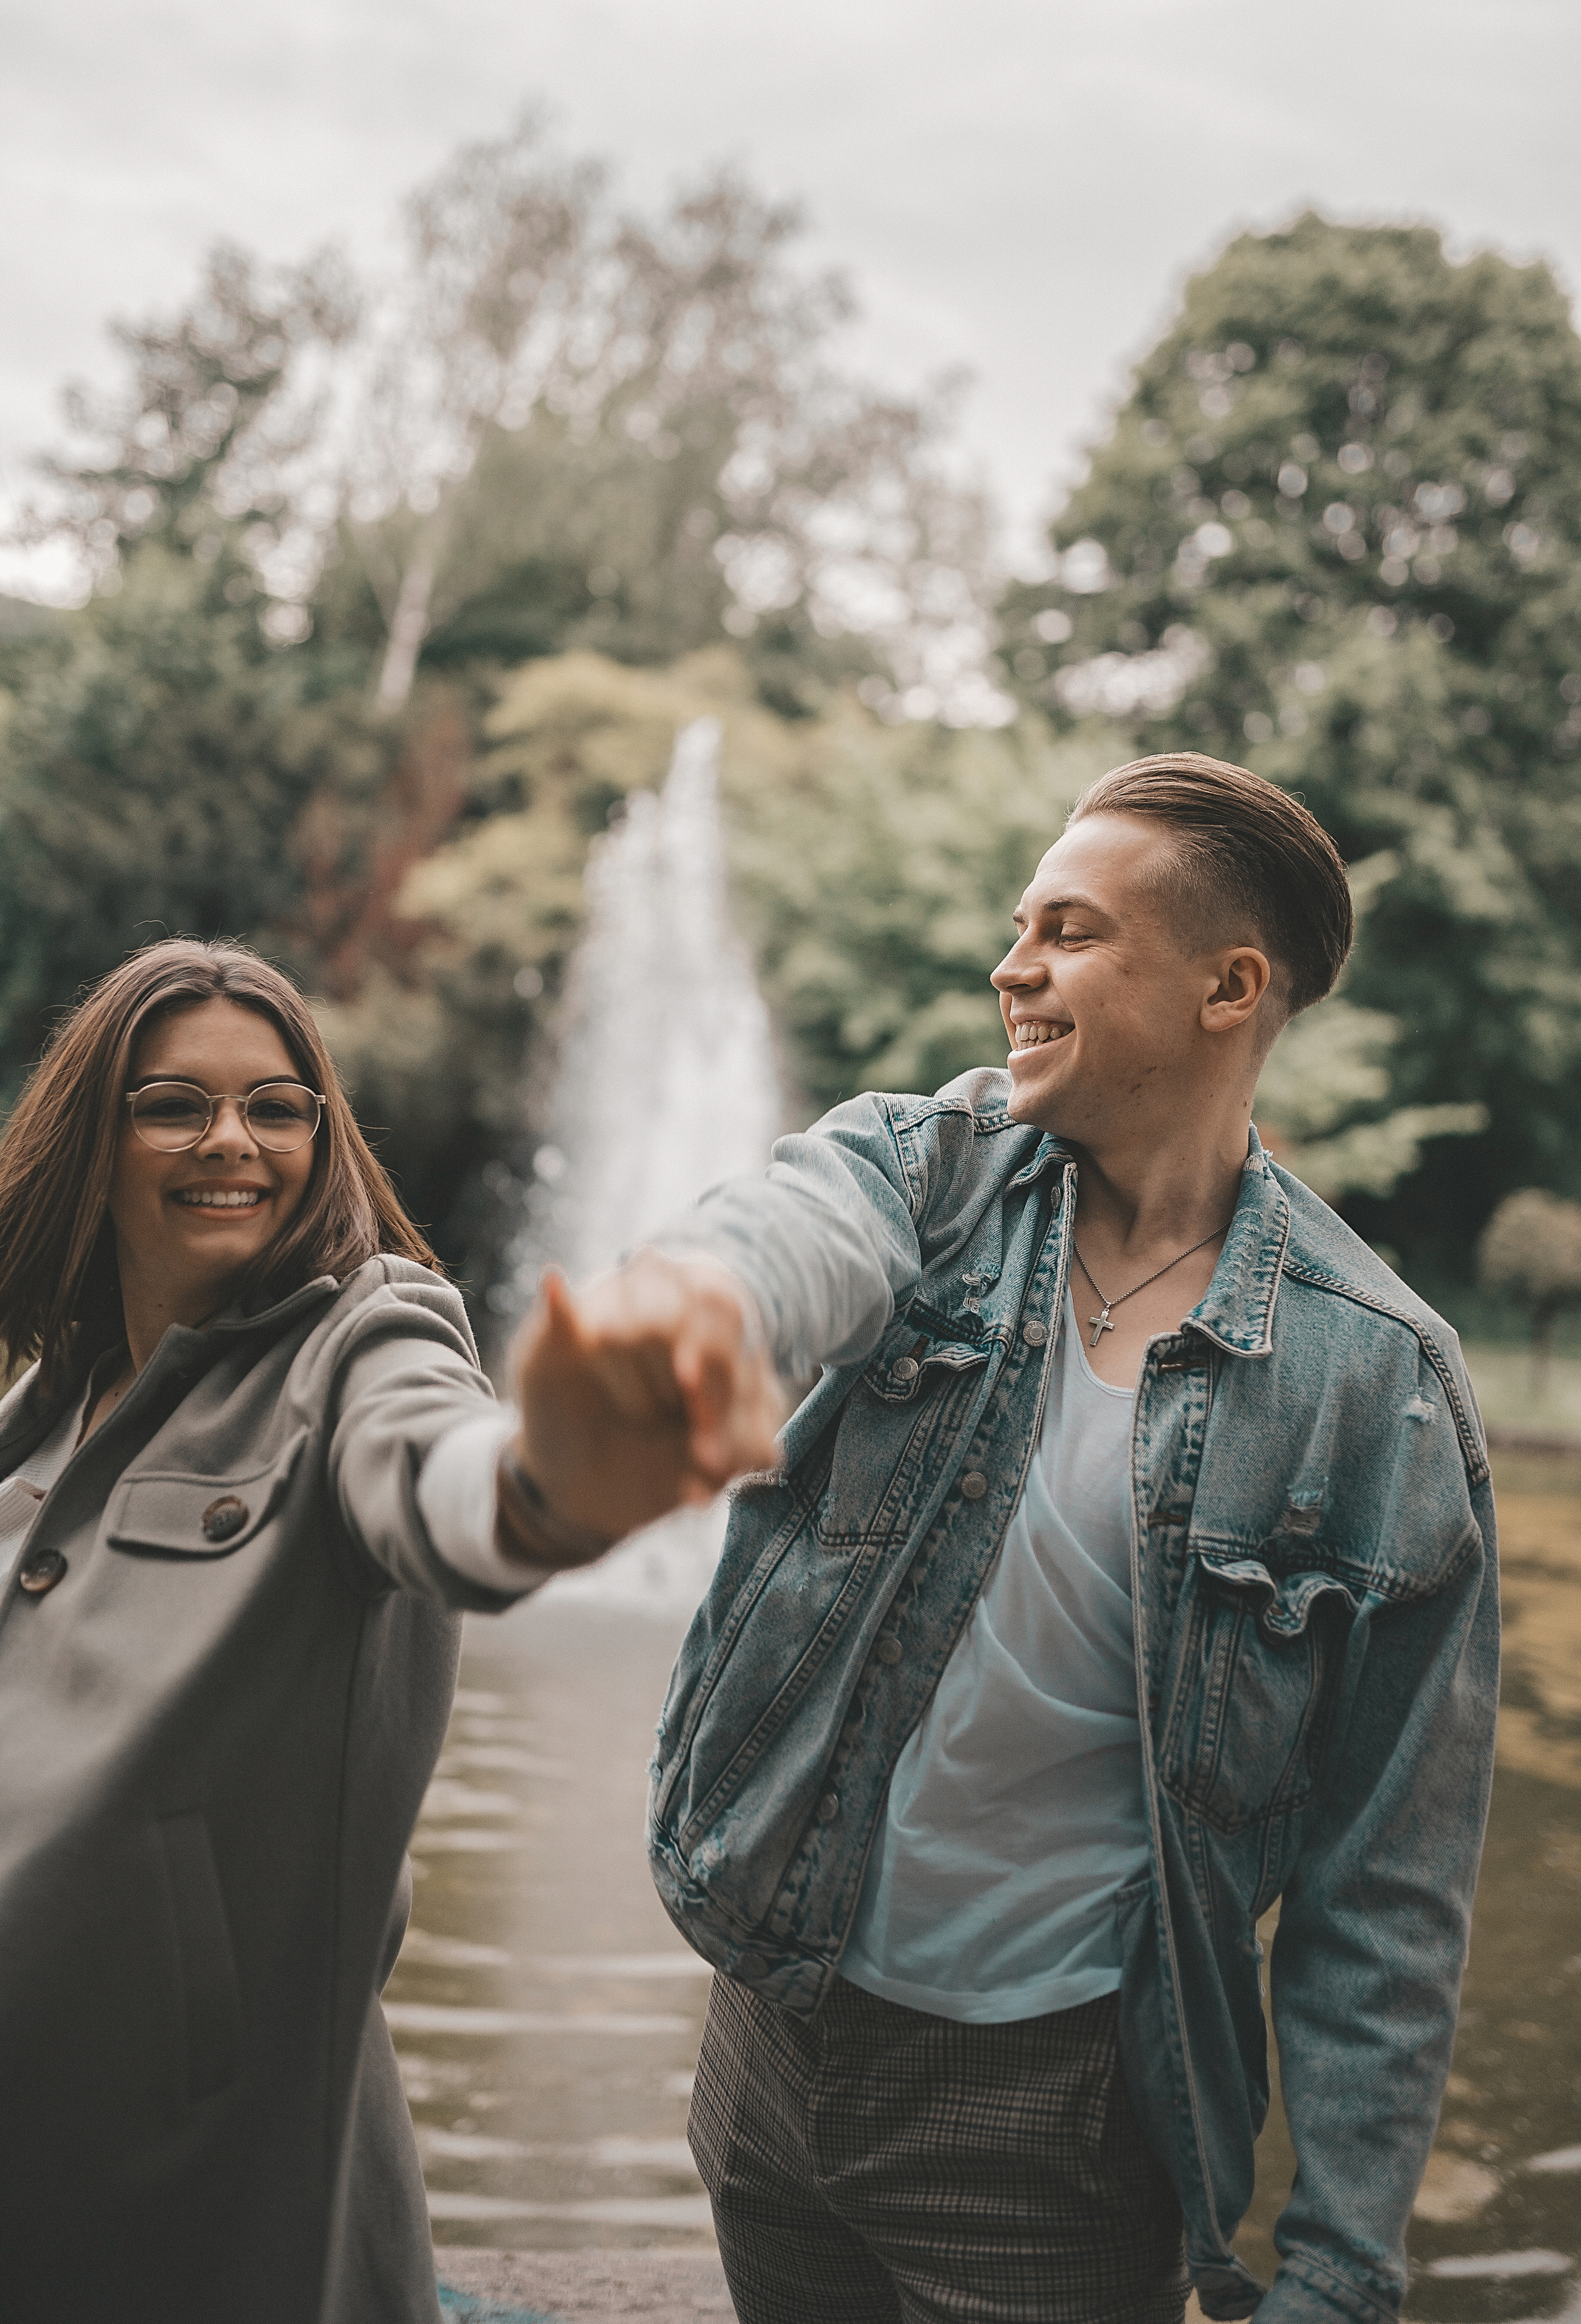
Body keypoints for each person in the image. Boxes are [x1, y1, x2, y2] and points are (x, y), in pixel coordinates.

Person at [514, 754, 1500, 2324]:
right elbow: (785, 1236)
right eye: (1014, 926)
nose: (1008, 966)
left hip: (1060, 2117)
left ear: (1224, 987)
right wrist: (681, 1314)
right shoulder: (931, 1170)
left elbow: (1381, 1886)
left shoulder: (1374, 1389)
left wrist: (1334, 2268)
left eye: (1068, 930)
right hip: (776, 2025)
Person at [0, 938, 777, 2324]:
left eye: (277, 1104)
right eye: (173, 1102)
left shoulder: (364, 1338)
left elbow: (442, 1482)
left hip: (196, 2207)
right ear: (93, 1136)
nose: (231, 1137)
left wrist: (554, 1490)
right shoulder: (47, 1396)